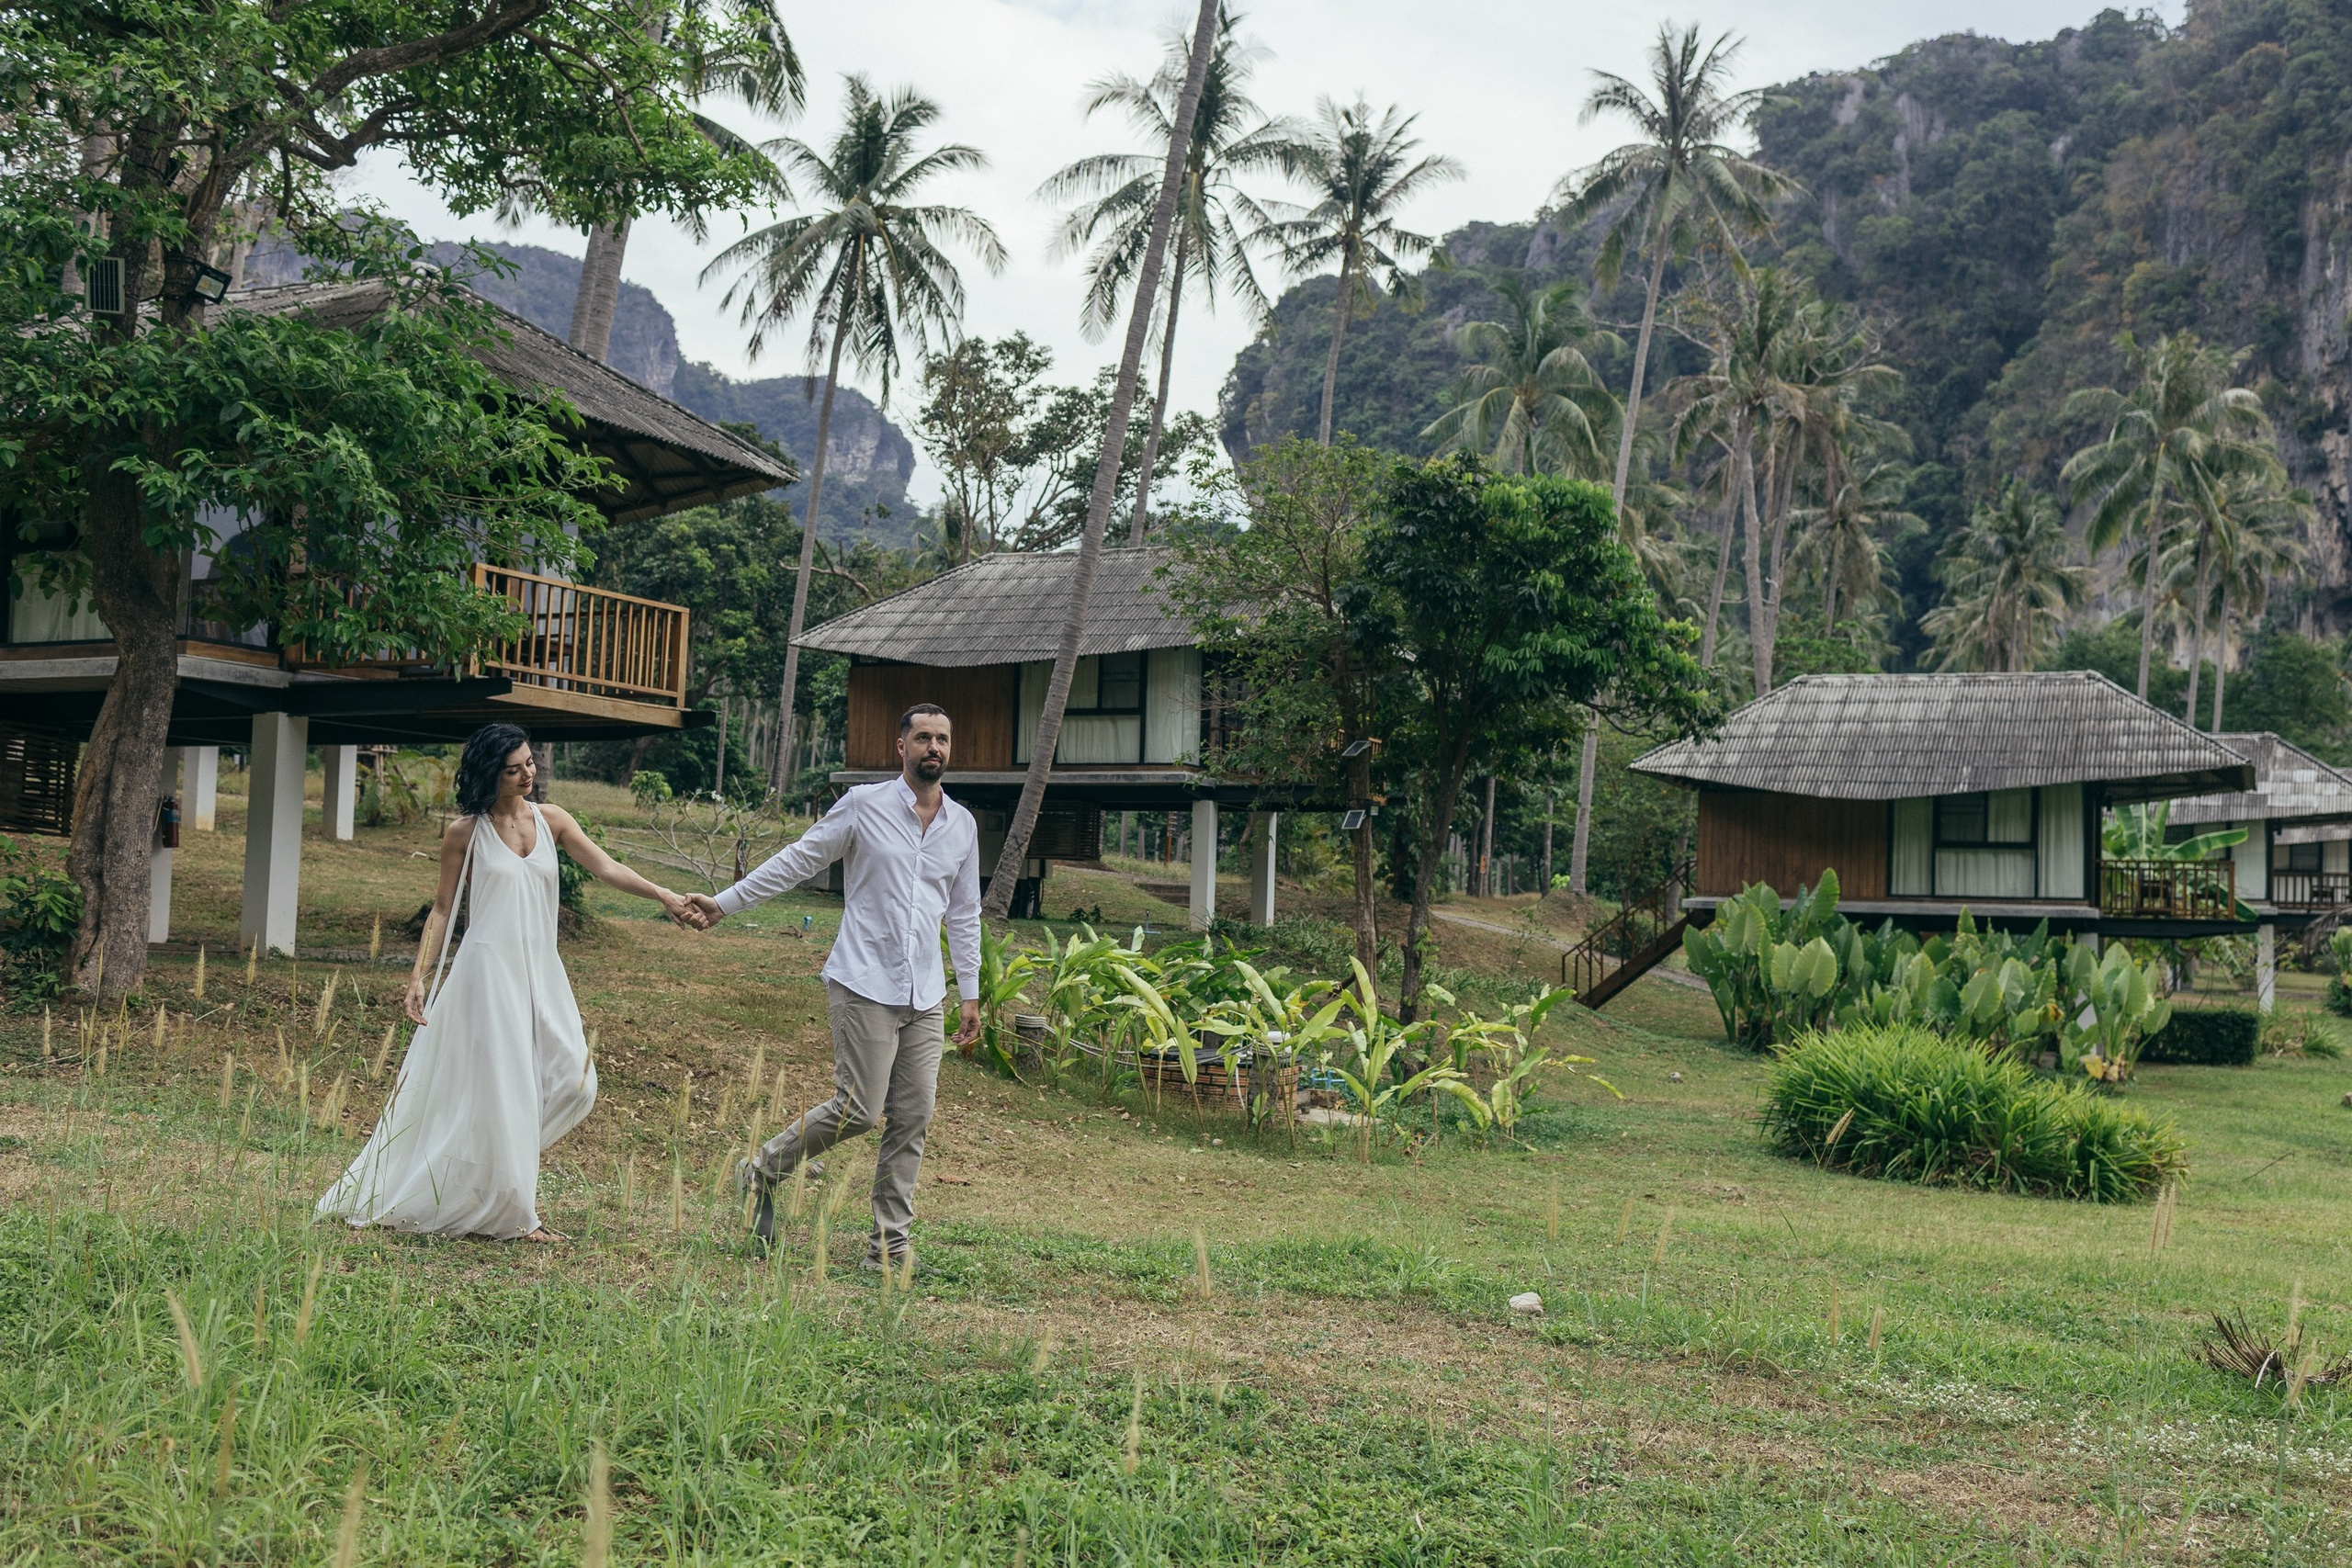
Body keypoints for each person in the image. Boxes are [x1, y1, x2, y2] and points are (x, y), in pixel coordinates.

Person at [318, 723, 692, 1241]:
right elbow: (443, 909)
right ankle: (520, 1215)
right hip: (487, 974)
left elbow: (606, 866)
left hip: (541, 968)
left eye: (530, 764)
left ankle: (489, 1168)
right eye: (513, 769)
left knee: (576, 1082)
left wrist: (665, 895)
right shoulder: (464, 833)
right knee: (504, 1089)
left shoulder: (553, 820)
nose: (527, 775)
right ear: (490, 773)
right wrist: (418, 978)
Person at [683, 703, 981, 1269]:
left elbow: (964, 914)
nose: (933, 748)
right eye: (923, 738)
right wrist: (724, 904)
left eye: (942, 738)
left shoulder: (961, 825)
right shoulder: (864, 806)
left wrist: (968, 991)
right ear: (902, 747)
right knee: (860, 1111)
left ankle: (888, 1247)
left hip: (926, 994)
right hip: (864, 981)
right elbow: (798, 860)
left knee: (912, 1118)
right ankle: (763, 1169)